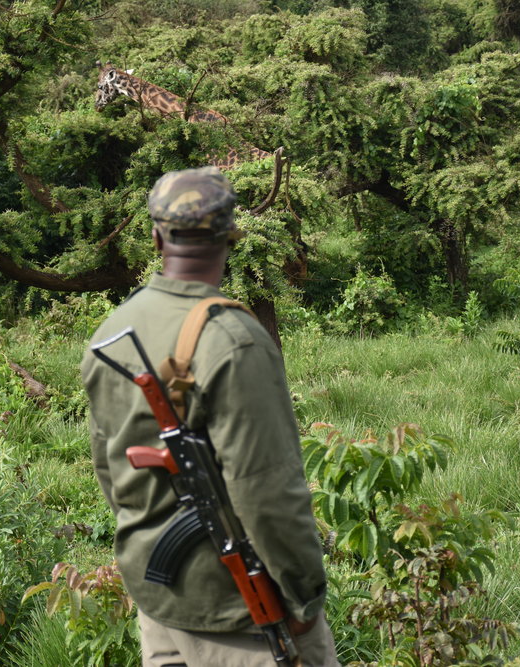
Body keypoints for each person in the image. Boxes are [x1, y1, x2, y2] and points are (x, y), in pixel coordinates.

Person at [81, 166, 339, 666]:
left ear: (157, 238)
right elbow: (267, 492)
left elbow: (109, 470)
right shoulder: (233, 339)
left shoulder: (111, 331)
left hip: (158, 596)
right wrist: (304, 597)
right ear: (230, 237)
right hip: (240, 610)